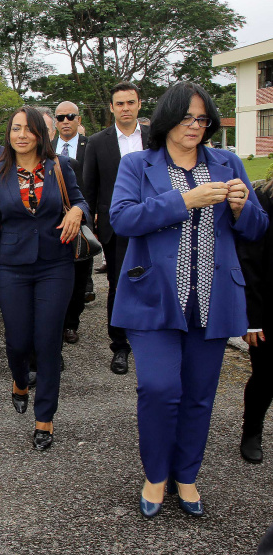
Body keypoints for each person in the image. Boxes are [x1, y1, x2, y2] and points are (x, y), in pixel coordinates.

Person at [109, 82, 267, 518]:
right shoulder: (139, 164)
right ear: (167, 120)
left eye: (202, 119)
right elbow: (123, 219)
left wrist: (239, 207)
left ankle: (187, 475)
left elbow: (256, 227)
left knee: (199, 394)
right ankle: (156, 474)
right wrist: (184, 200)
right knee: (159, 388)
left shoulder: (227, 162)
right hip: (153, 297)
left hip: (213, 298)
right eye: (186, 118)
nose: (194, 126)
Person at [0, 106, 89, 451]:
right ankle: (20, 381)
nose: (21, 134)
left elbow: (80, 199)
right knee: (18, 340)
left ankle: (45, 418)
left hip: (56, 265)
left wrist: (78, 211)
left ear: (41, 133)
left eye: (28, 129)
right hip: (12, 268)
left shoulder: (60, 167)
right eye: (15, 129)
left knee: (48, 340)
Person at [83, 82, 150, 375]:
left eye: (130, 102)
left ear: (139, 105)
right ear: (111, 107)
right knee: (119, 285)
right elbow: (89, 187)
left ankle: (150, 338)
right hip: (115, 225)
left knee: (153, 281)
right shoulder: (98, 142)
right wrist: (90, 225)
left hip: (153, 222)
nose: (125, 108)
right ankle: (119, 346)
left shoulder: (155, 138)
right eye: (119, 103)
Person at [53, 101, 95, 344]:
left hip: (83, 218)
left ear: (79, 119)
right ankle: (56, 323)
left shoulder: (91, 146)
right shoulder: (45, 148)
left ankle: (71, 324)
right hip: (53, 223)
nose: (66, 121)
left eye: (70, 116)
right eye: (60, 118)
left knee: (80, 275)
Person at [238, 177, 273, 464]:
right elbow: (250, 260)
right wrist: (253, 319)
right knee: (266, 375)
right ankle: (252, 431)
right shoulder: (263, 199)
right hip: (267, 307)